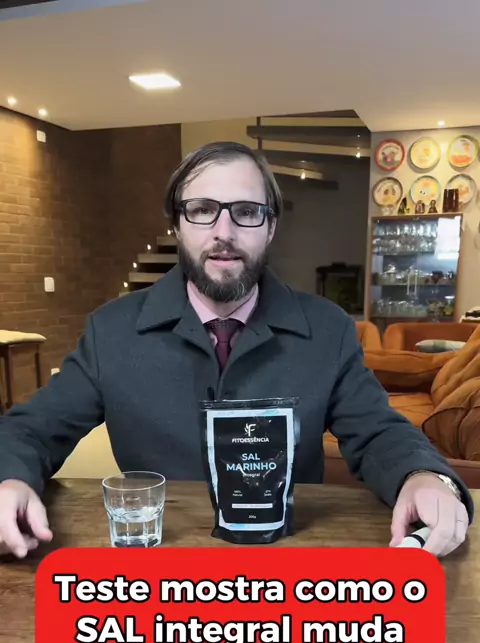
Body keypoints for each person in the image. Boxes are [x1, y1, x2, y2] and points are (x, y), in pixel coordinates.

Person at [0, 142, 472, 559]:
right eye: (202, 209)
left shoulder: (328, 329)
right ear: (177, 224)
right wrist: (9, 480)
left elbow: (378, 431)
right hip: (157, 572)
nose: (223, 231)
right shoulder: (111, 331)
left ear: (270, 227)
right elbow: (32, 430)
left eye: (246, 211)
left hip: (291, 567)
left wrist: (424, 477)